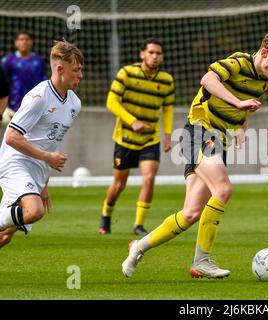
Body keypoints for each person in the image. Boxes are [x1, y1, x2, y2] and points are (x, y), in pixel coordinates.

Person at [121, 28, 268, 279]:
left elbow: (246, 104)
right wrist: (238, 104)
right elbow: (208, 80)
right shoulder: (238, 62)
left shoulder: (267, 78)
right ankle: (203, 260)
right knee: (224, 189)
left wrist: (241, 127)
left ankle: (138, 247)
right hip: (199, 133)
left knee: (191, 214)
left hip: (220, 140)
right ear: (264, 52)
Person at [0, 40, 83, 249]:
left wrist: (43, 183)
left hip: (36, 171)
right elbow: (11, 137)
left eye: (81, 70)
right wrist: (48, 159)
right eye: (76, 70)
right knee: (34, 211)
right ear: (60, 69)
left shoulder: (74, 103)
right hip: (15, 163)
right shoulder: (39, 97)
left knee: (5, 237)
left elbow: (51, 142)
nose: (80, 75)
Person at [98, 38, 174, 236]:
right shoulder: (127, 73)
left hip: (151, 139)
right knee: (119, 185)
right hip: (125, 138)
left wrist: (167, 135)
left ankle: (138, 225)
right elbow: (111, 101)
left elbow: (167, 109)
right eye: (151, 52)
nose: (154, 56)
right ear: (142, 54)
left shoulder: (166, 80)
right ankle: (106, 213)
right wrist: (132, 122)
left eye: (158, 53)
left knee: (149, 178)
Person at [1, 31, 47, 125]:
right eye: (21, 39)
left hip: (34, 104)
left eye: (27, 39)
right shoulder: (8, 60)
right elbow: (2, 84)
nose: (24, 42)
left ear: (31, 42)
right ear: (16, 43)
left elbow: (43, 82)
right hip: (12, 107)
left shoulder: (39, 60)